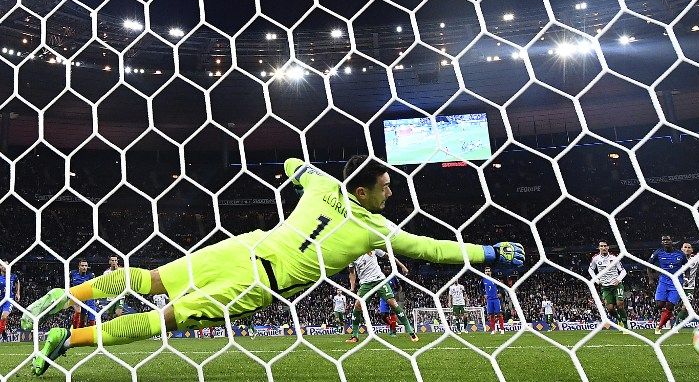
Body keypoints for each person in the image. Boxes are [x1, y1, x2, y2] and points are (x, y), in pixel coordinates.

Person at [24, 155, 524, 376]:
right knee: (163, 318)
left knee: (151, 279)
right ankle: (68, 339)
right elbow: (431, 249)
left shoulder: (324, 185)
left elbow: (290, 166)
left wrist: (305, 171)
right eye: (385, 187)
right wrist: (489, 252)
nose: (391, 192)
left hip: (243, 246)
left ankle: (65, 296)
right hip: (258, 282)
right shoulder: (377, 229)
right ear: (362, 191)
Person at [347, 250, 414, 342]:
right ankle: (354, 336)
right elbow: (352, 272)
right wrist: (352, 287)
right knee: (358, 306)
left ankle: (410, 331)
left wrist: (402, 266)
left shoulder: (373, 248)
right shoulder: (353, 255)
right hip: (366, 284)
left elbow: (389, 256)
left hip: (380, 281)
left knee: (392, 303)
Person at [647, 235, 686, 335]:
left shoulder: (680, 254)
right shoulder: (658, 252)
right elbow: (649, 265)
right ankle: (666, 315)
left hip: (676, 282)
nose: (665, 242)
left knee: (670, 306)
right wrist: (650, 278)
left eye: (667, 240)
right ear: (662, 242)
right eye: (663, 240)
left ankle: (659, 326)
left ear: (672, 241)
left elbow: (687, 266)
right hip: (663, 281)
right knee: (659, 304)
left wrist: (687, 278)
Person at [588, 241, 628, 330]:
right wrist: (596, 280)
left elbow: (623, 271)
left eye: (605, 246)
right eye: (601, 246)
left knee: (620, 304)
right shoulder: (595, 258)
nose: (603, 248)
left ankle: (625, 326)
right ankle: (619, 320)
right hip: (605, 287)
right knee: (610, 309)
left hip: (616, 285)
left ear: (608, 247)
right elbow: (590, 270)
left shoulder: (614, 258)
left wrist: (618, 279)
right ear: (599, 248)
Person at [674, 243, 699, 324]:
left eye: (689, 247)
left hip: (689, 287)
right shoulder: (676, 258)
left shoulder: (696, 259)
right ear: (682, 249)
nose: (687, 249)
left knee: (686, 307)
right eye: (685, 247)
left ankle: (676, 326)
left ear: (692, 250)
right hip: (677, 286)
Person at [70, 259, 95, 329]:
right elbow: (68, 285)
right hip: (76, 296)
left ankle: (90, 331)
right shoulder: (72, 273)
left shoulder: (91, 275)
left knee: (87, 316)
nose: (84, 267)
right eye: (82, 265)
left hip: (87, 297)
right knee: (78, 312)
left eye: (86, 266)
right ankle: (75, 330)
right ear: (79, 266)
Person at [0, 261, 20, 342]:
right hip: (0, 300)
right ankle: (3, 330)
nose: (6, 266)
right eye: (4, 265)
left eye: (7, 265)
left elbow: (17, 282)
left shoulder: (13, 276)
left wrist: (18, 293)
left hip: (9, 299)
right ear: (0, 267)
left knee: (4, 316)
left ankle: (1, 332)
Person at [482, 267, 504, 334]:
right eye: (486, 271)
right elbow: (480, 288)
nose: (487, 272)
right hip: (489, 300)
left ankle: (502, 329)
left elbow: (501, 286)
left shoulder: (495, 279)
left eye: (488, 271)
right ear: (484, 272)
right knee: (491, 315)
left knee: (499, 314)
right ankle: (493, 330)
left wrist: (500, 293)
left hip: (496, 299)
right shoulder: (483, 280)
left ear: (491, 272)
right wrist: (483, 294)